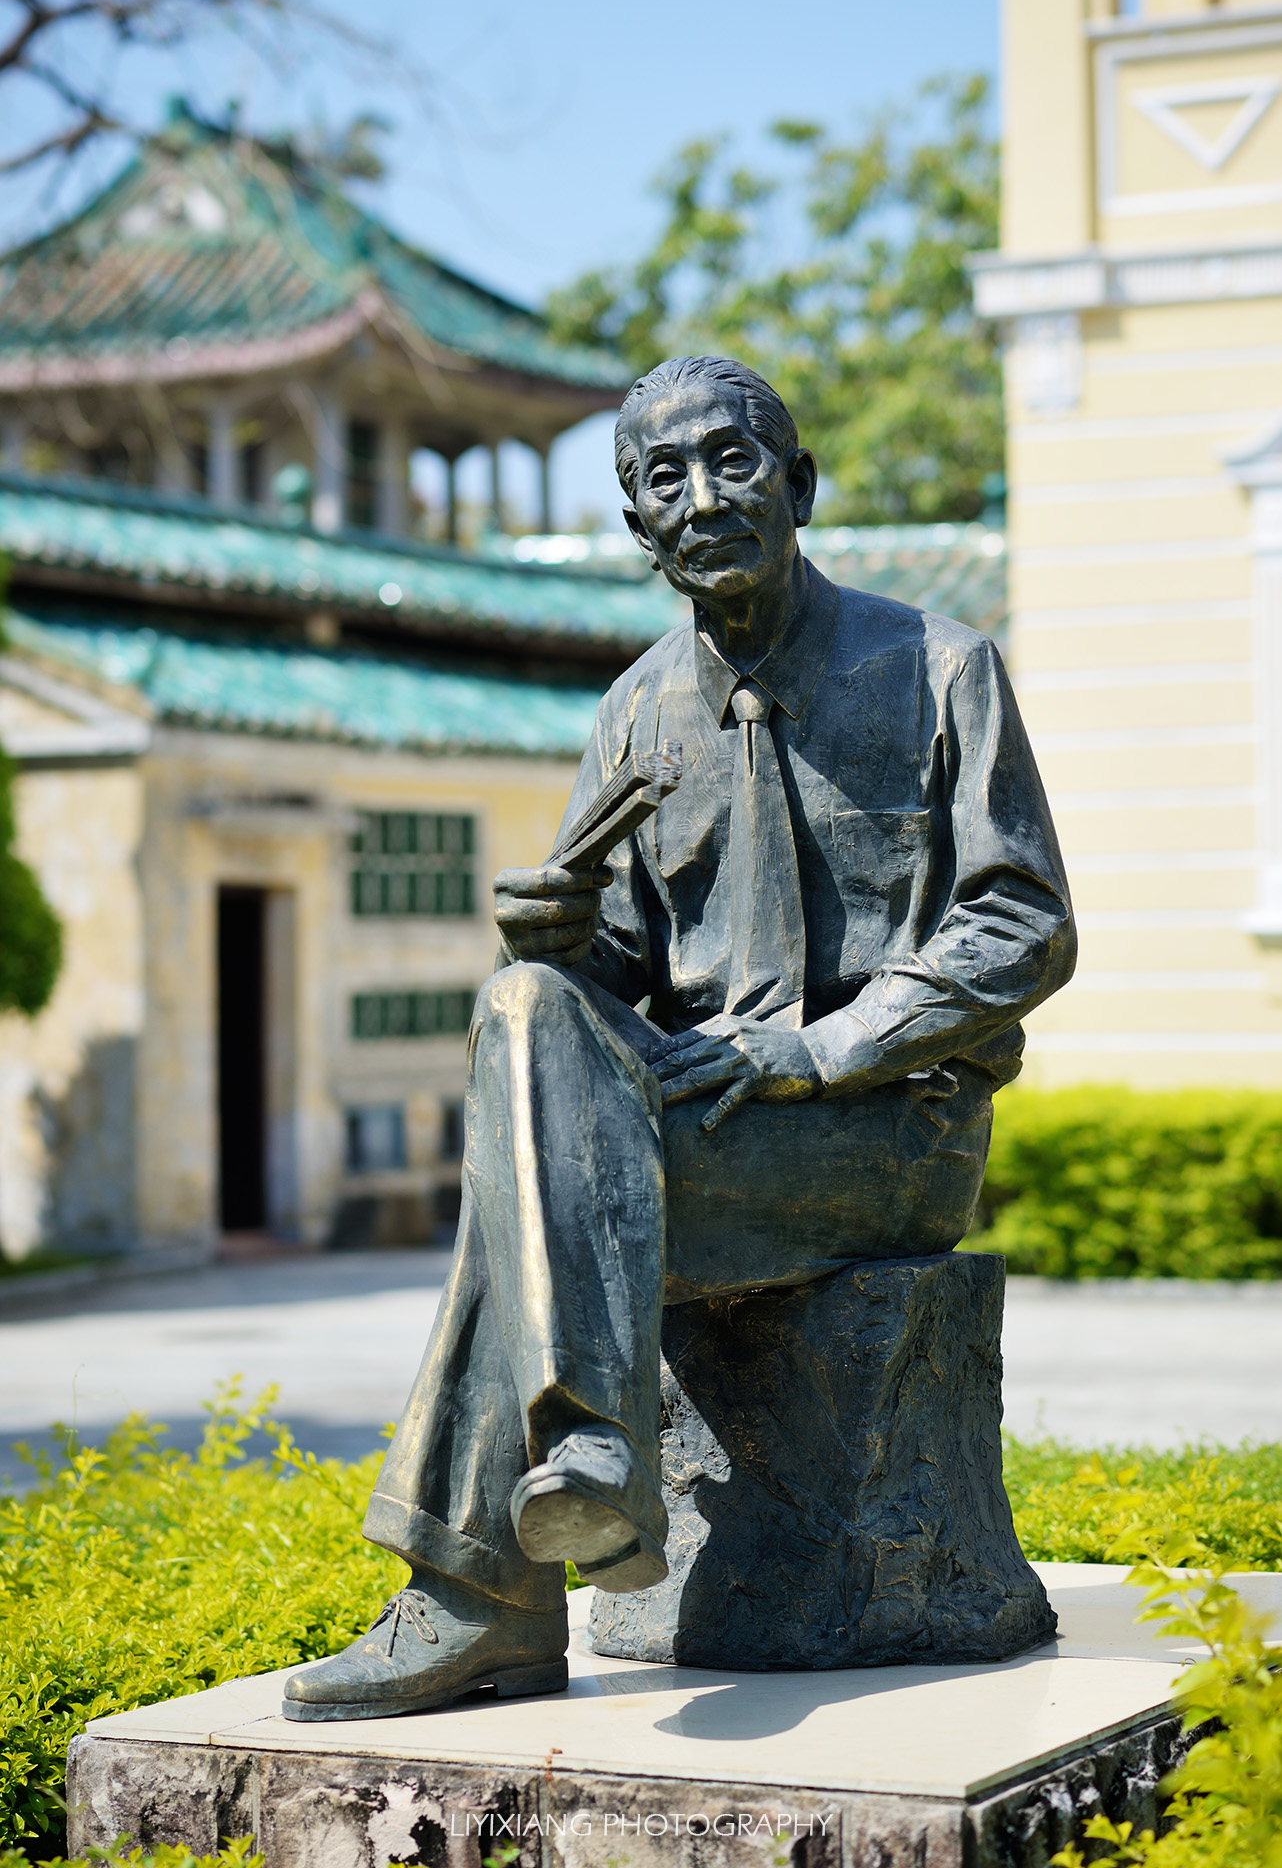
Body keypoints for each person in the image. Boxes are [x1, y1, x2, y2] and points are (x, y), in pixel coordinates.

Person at [283, 355, 1075, 1723]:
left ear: (798, 485)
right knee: (521, 1006)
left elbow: (1022, 924)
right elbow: (623, 974)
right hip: (700, 1119)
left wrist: (817, 1051)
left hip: (882, 1130)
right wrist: (560, 941)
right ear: (637, 526)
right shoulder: (636, 711)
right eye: (664, 478)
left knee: (527, 1214)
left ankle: (485, 1600)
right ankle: (587, 1457)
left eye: (732, 460)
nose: (702, 498)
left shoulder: (939, 669)